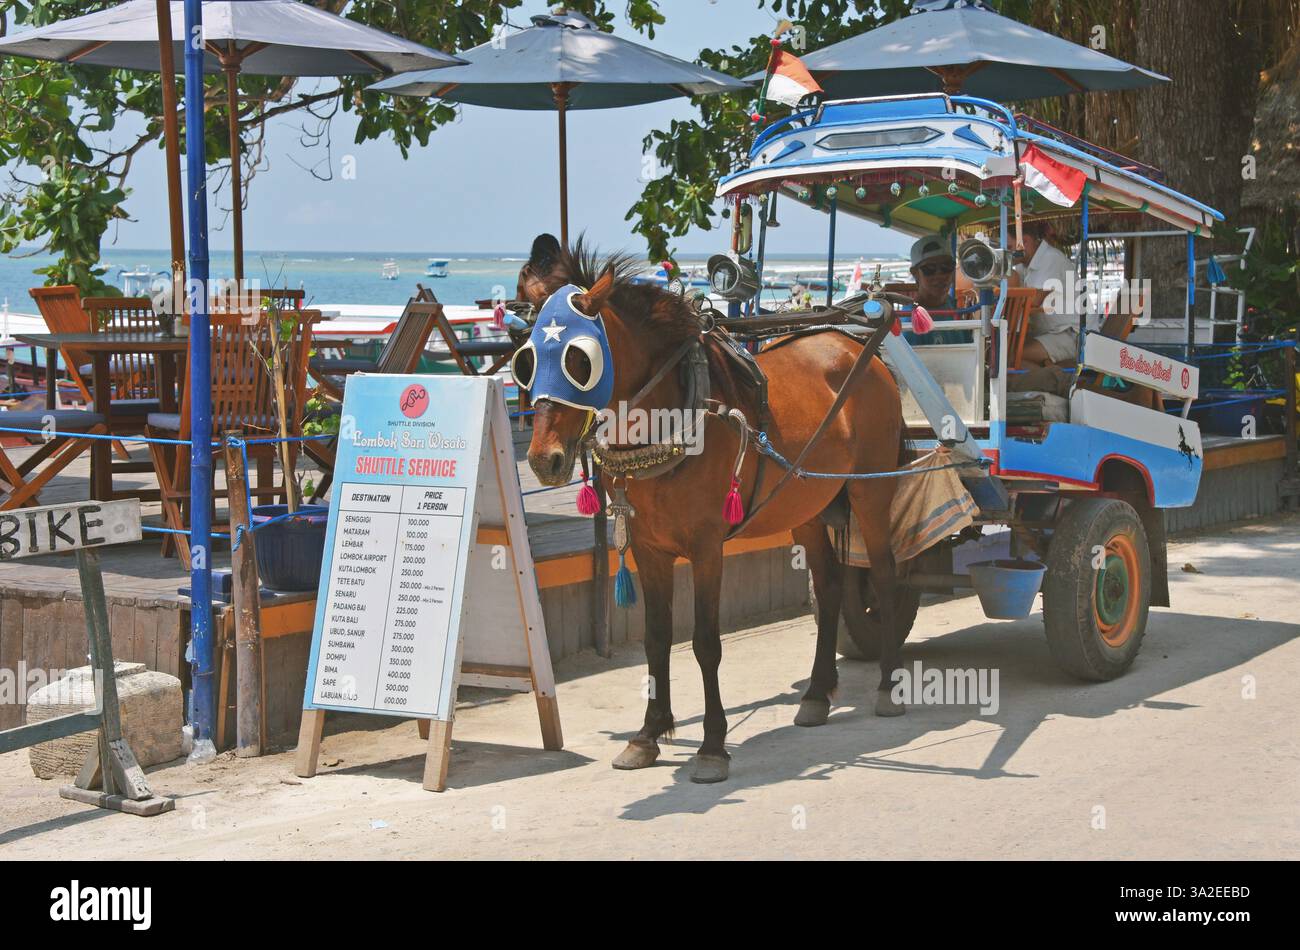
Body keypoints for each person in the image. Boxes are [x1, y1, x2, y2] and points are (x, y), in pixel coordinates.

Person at [1009, 221, 1077, 367]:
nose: (1007, 253)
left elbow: (1034, 300)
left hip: (1070, 336)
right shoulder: (1023, 266)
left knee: (1009, 356)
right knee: (1000, 352)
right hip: (1048, 334)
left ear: (1024, 241)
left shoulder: (1050, 258)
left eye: (1009, 247)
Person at [515, 233, 563, 304]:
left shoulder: (526, 271)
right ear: (556, 250)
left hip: (534, 311)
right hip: (559, 310)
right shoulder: (562, 270)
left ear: (535, 251)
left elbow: (519, 299)